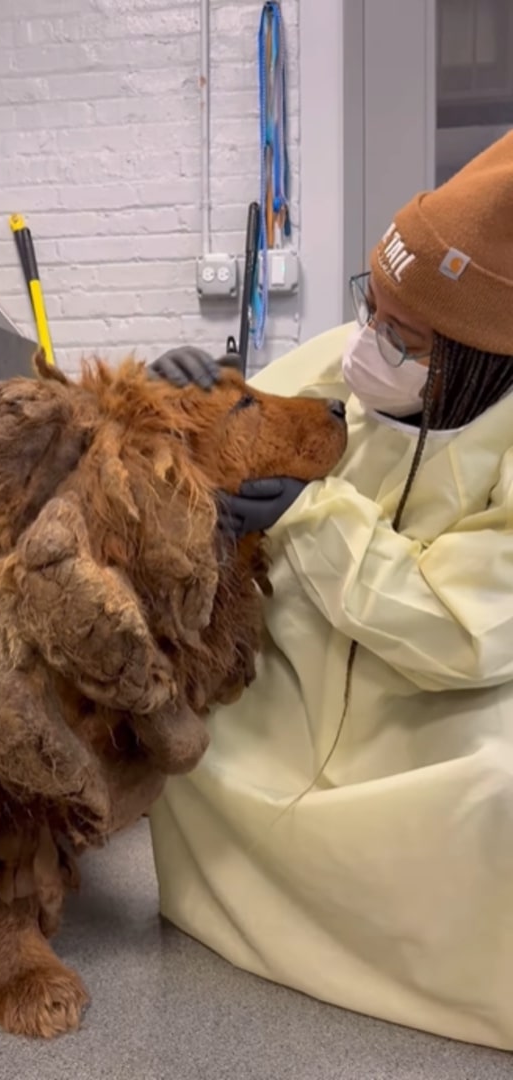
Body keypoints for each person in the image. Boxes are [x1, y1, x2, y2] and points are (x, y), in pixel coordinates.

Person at [148, 131, 513, 1051]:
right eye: (372, 307)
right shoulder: (349, 354)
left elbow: (463, 634)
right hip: (295, 696)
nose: (368, 344)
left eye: (407, 336)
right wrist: (189, 400)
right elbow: (242, 431)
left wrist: (313, 514)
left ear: (484, 360)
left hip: (430, 726)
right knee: (173, 717)